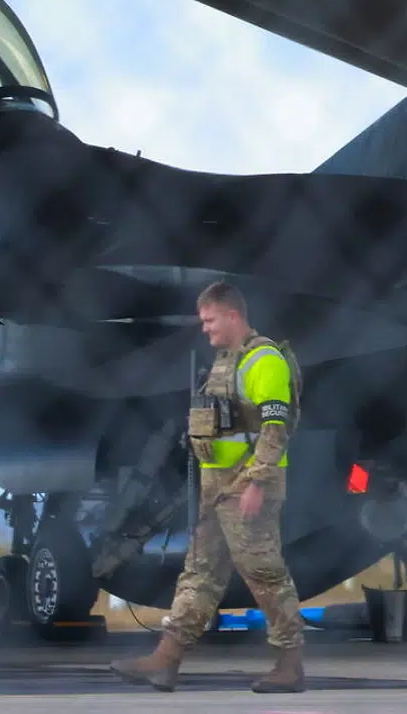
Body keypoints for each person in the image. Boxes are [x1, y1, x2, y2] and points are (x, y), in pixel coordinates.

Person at [109, 280, 306, 694]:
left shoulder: (264, 362)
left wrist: (256, 482)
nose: (205, 328)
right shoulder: (224, 361)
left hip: (248, 487)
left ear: (233, 315)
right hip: (218, 487)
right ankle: (166, 660)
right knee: (199, 573)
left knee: (264, 574)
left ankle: (290, 664)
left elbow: (276, 428)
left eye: (210, 319)